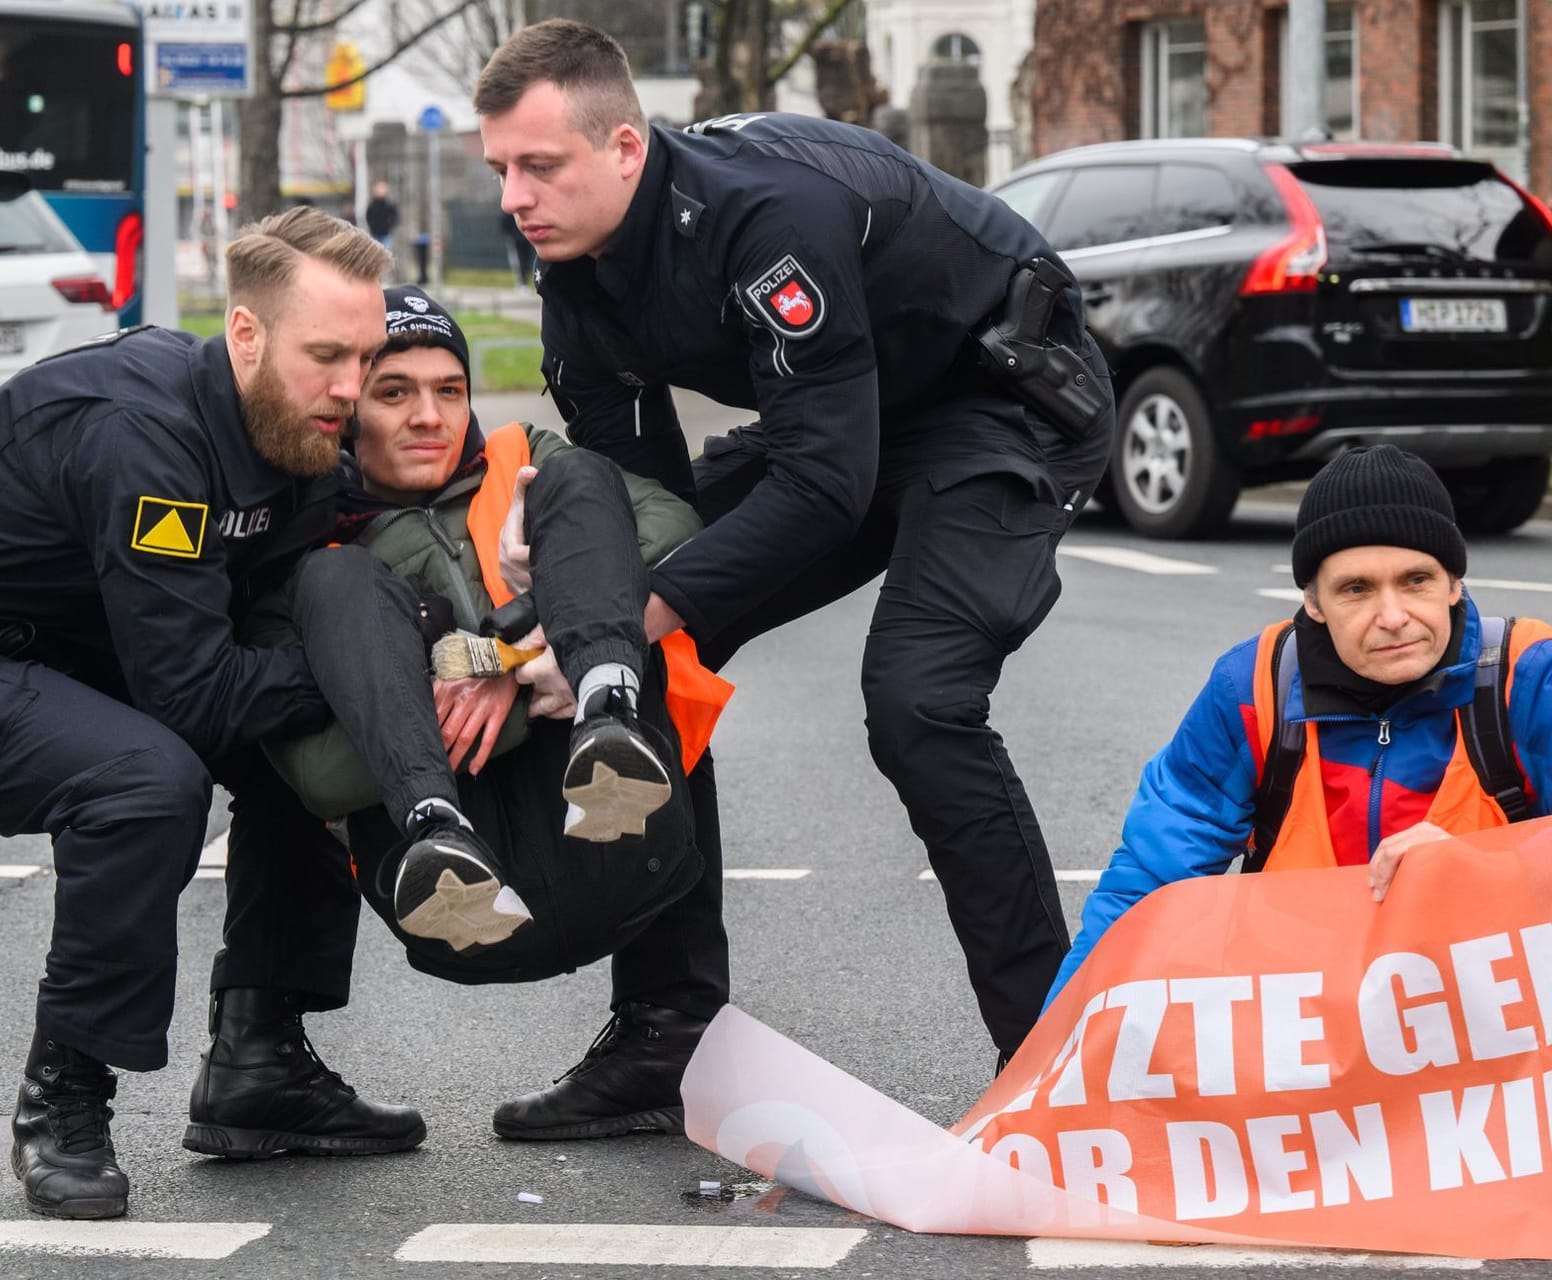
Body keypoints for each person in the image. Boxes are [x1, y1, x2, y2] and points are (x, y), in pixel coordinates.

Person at [474, 20, 1116, 1067]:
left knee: (918, 702)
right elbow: (639, 501)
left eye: (539, 166)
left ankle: (1054, 1061)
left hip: (998, 400)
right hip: (843, 412)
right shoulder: (572, 266)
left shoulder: (771, 215)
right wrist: (565, 551)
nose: (514, 197)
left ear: (625, 148)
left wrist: (633, 608)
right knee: (625, 650)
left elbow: (824, 487)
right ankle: (666, 1029)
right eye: (501, 169)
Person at [0, 209, 425, 1222]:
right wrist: (371, 678)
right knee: (144, 781)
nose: (353, 388)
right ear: (245, 334)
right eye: (328, 357)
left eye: (367, 356)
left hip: (77, 646)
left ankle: (259, 1061)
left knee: (297, 754)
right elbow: (190, 695)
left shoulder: (300, 422)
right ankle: (63, 1103)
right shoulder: (146, 436)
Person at [245, 287, 737, 1138]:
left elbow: (681, 531)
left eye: (449, 389)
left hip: (623, 842)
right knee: (338, 581)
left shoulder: (523, 458)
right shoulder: (309, 550)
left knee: (582, 486)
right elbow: (321, 775)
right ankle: (443, 821)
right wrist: (460, 686)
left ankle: (606, 710)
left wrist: (527, 651)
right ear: (347, 409)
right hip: (457, 891)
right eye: (394, 392)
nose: (429, 416)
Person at [1046, 446, 1552, 1007]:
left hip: (1494, 1018)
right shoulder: (1252, 688)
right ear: (1313, 601)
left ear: (1453, 583)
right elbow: (1149, 882)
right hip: (1308, 1022)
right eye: (1355, 589)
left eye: (1416, 581)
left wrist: (1483, 868)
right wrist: (1057, 1042)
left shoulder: (1528, 676)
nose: (1392, 616)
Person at [501, 209, 537, 288]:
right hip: (516, 241)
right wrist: (512, 236)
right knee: (518, 261)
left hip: (527, 240)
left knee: (528, 260)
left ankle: (525, 282)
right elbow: (504, 225)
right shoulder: (509, 212)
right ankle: (521, 283)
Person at [365, 180, 399, 250]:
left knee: (386, 251)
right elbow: (368, 217)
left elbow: (395, 217)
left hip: (386, 233)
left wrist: (389, 225)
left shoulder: (389, 204)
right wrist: (372, 226)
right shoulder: (372, 205)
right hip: (375, 233)